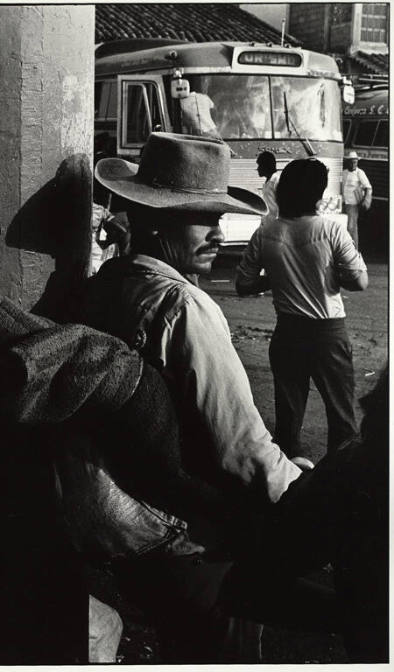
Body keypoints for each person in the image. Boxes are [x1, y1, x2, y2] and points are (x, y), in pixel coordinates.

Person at [67, 133, 386, 662]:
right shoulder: (180, 305)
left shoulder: (107, 285)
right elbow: (241, 449)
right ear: (153, 220)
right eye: (200, 217)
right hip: (193, 537)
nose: (216, 231)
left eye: (218, 216)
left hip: (130, 521)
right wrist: (302, 494)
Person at [236, 158, 368, 460]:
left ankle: (288, 485)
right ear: (319, 193)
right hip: (328, 335)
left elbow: (243, 285)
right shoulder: (332, 231)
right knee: (342, 417)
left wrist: (276, 278)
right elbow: (359, 282)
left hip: (287, 333)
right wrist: (332, 275)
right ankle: (339, 483)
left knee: (288, 419)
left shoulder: (265, 233)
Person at [342, 149, 372, 249]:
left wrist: (366, 199)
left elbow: (368, 187)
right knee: (344, 227)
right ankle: (345, 250)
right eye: (352, 161)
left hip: (353, 204)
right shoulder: (344, 173)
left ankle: (354, 251)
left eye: (355, 161)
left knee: (352, 227)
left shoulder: (360, 173)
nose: (354, 163)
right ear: (348, 162)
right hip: (343, 203)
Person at [256, 151, 280, 222]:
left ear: (265, 165)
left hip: (275, 225)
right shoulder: (267, 182)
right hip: (266, 223)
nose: (257, 169)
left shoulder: (277, 181)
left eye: (259, 165)